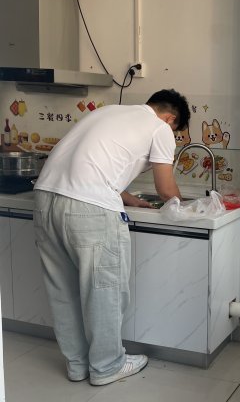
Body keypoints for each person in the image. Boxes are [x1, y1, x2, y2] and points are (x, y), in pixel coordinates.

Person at [32, 88, 190, 386]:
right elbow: (166, 190)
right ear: (171, 118)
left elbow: (91, 166)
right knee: (105, 290)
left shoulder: (107, 112)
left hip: (44, 199)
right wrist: (189, 209)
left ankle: (77, 365)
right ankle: (106, 366)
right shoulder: (160, 128)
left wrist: (129, 198)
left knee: (62, 289)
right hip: (89, 209)